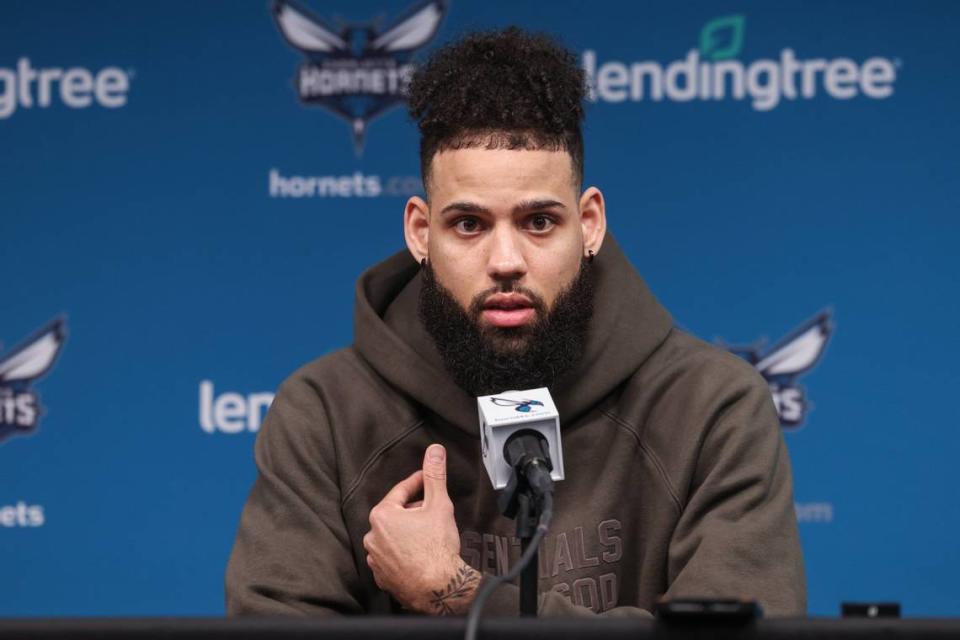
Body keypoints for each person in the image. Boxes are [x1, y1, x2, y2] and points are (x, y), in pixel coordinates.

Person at [225, 27, 806, 617]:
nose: (506, 262)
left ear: (590, 225)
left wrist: (455, 593)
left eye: (539, 222)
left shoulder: (712, 409)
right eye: (470, 225)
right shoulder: (324, 416)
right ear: (421, 233)